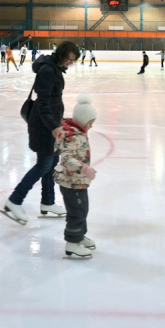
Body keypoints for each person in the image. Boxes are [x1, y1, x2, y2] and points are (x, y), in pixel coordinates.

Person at [0, 42, 79, 225]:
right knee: (44, 165)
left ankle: (48, 202)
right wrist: (53, 126)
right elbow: (43, 102)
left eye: (73, 60)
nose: (69, 62)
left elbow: (51, 100)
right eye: (68, 58)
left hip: (51, 123)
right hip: (44, 125)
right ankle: (15, 200)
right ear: (60, 54)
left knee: (52, 164)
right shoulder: (48, 70)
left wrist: (59, 121)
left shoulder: (55, 68)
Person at [54, 94, 98, 259]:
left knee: (82, 209)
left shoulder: (77, 131)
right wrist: (84, 168)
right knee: (76, 212)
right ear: (83, 120)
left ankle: (80, 236)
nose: (91, 126)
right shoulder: (73, 136)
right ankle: (72, 242)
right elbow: (65, 158)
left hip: (77, 181)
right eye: (90, 123)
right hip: (70, 181)